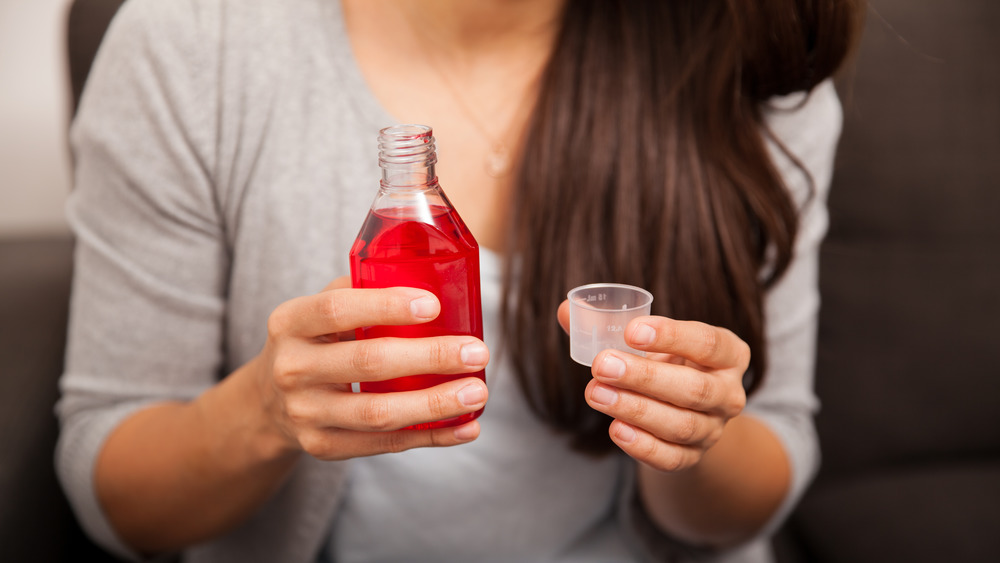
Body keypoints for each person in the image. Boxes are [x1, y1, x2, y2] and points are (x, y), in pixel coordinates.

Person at [56, 0, 865, 561]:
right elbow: (117, 491)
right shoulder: (190, 44)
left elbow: (774, 453)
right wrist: (263, 412)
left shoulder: (758, 57)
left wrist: (694, 438)